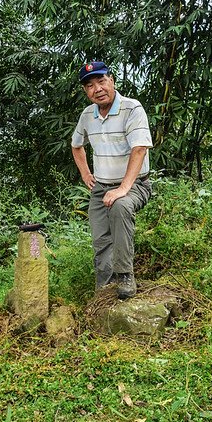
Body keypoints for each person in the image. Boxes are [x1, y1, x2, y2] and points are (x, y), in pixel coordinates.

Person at [70, 61, 153, 299]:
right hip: (101, 188)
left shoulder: (132, 108)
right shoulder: (87, 115)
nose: (97, 89)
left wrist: (123, 188)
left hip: (135, 185)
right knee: (100, 239)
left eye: (101, 81)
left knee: (120, 206)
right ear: (86, 91)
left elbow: (139, 149)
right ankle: (104, 289)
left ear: (112, 80)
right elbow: (76, 146)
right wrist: (86, 174)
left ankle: (125, 275)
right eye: (90, 85)